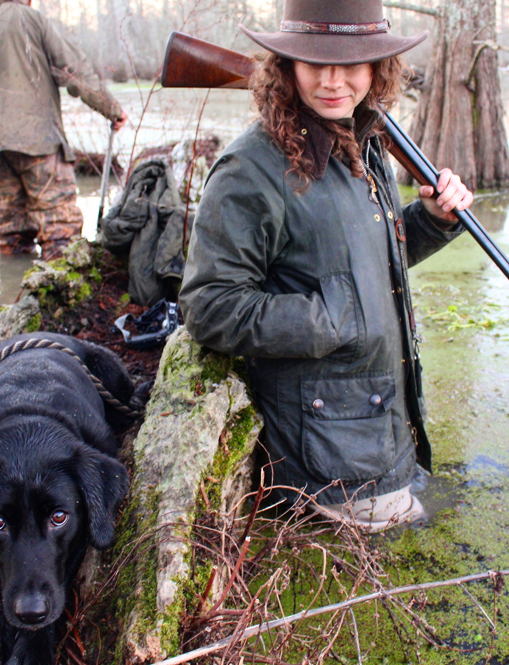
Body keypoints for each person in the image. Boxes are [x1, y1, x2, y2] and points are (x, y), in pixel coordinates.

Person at [179, 0, 475, 532]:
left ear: (378, 68)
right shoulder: (251, 168)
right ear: (286, 65)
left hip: (380, 426)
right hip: (328, 457)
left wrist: (430, 219)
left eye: (351, 64)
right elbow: (210, 307)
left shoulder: (361, 141)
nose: (333, 81)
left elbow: (362, 263)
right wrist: (338, 317)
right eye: (316, 62)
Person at [0, 0, 128, 261]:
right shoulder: (34, 20)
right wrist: (111, 108)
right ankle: (58, 299)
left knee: (12, 237)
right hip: (38, 141)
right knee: (60, 235)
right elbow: (75, 72)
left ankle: (11, 293)